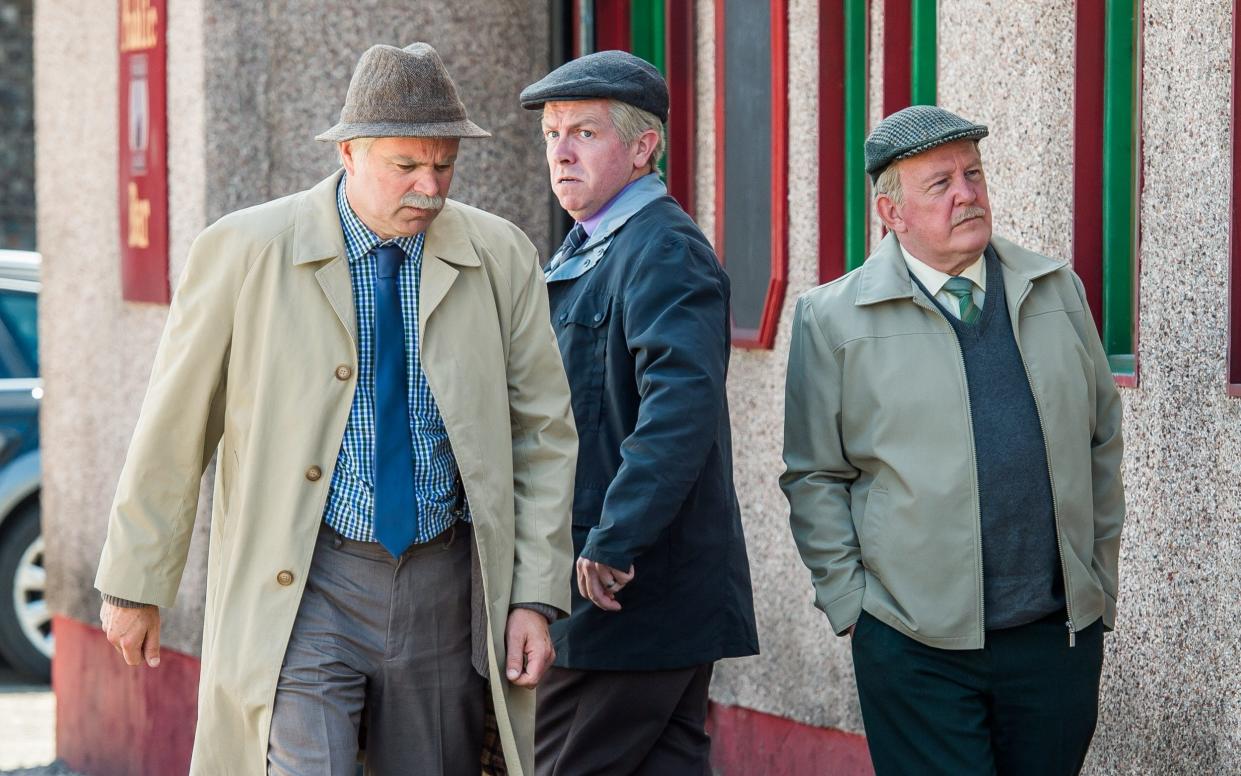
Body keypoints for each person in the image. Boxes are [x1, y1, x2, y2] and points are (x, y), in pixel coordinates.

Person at [94, 42, 576, 775]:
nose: (429, 186)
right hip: (303, 582)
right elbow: (174, 424)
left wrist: (536, 596)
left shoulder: (500, 255)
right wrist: (135, 581)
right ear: (349, 152)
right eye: (405, 166)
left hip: (443, 587)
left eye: (443, 165)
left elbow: (543, 433)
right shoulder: (245, 250)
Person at [782, 104, 1126, 775]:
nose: (966, 193)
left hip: (1053, 637)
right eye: (939, 184)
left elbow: (1100, 443)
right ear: (891, 213)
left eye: (972, 174)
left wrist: (1096, 584)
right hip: (913, 646)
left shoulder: (1055, 290)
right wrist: (853, 608)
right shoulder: (832, 319)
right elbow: (813, 475)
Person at [518, 50, 759, 776]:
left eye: (584, 133)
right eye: (552, 133)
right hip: (624, 588)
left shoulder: (663, 250)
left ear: (643, 147)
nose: (560, 152)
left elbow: (677, 414)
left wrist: (614, 540)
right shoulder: (592, 247)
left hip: (623, 588)